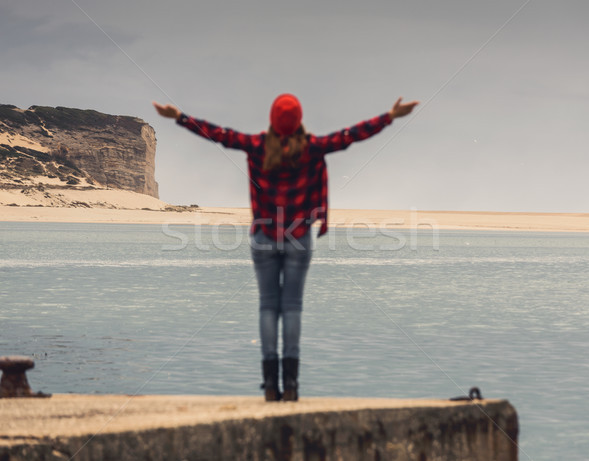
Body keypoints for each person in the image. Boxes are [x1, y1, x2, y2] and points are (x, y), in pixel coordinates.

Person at [153, 94, 418, 401]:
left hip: (264, 235)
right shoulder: (313, 148)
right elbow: (351, 135)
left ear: (273, 120)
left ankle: (269, 385)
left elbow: (219, 135)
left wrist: (179, 117)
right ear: (298, 121)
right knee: (291, 307)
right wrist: (390, 115)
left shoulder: (257, 146)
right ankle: (290, 384)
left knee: (268, 305)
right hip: (299, 236)